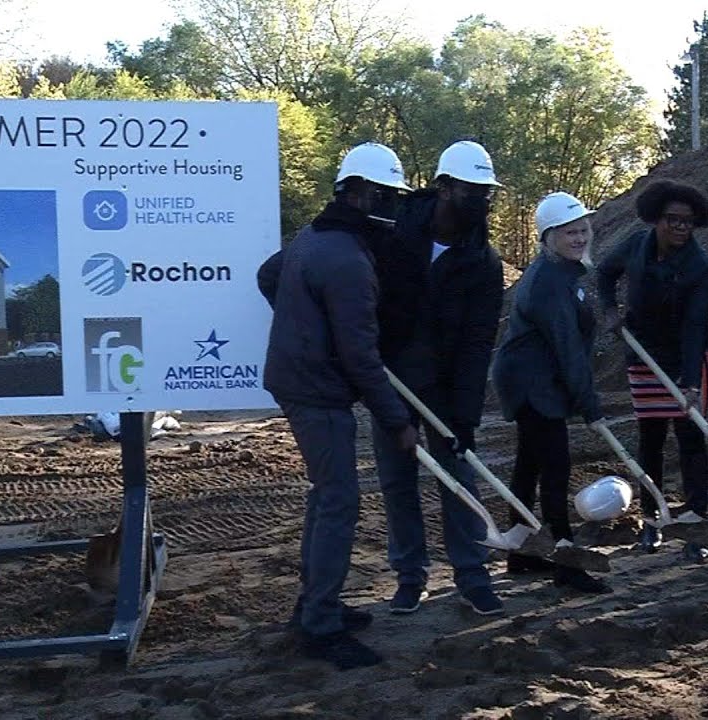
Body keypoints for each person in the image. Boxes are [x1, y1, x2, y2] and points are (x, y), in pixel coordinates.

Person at [257, 142, 418, 670]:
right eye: (387, 195)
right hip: (315, 391)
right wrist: (396, 420)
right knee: (339, 502)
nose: (393, 206)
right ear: (360, 193)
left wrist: (306, 324)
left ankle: (314, 605)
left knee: (326, 495)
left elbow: (269, 274)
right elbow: (360, 355)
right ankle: (320, 625)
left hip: (302, 378)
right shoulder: (348, 259)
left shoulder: (316, 234)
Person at [370, 140, 507, 616]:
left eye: (487, 192)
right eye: (475, 190)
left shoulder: (484, 262)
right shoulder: (392, 234)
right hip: (390, 379)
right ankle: (410, 577)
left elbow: (477, 342)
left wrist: (465, 416)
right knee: (397, 480)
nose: (483, 200)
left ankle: (472, 575)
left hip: (447, 387)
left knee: (458, 477)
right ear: (445, 188)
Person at [492, 191, 611, 594]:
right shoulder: (548, 282)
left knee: (530, 463)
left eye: (582, 230)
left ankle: (523, 552)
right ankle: (566, 563)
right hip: (533, 384)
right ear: (549, 237)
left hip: (536, 380)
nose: (579, 238)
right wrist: (589, 404)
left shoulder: (563, 272)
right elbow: (566, 349)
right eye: (569, 232)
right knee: (555, 469)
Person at [596, 180, 708, 557]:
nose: (681, 227)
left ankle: (695, 525)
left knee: (691, 440)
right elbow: (603, 273)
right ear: (656, 220)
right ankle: (652, 520)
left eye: (688, 222)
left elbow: (696, 326)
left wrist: (691, 382)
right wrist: (611, 311)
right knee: (650, 440)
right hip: (642, 356)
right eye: (673, 220)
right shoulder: (636, 246)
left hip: (686, 357)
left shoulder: (701, 268)